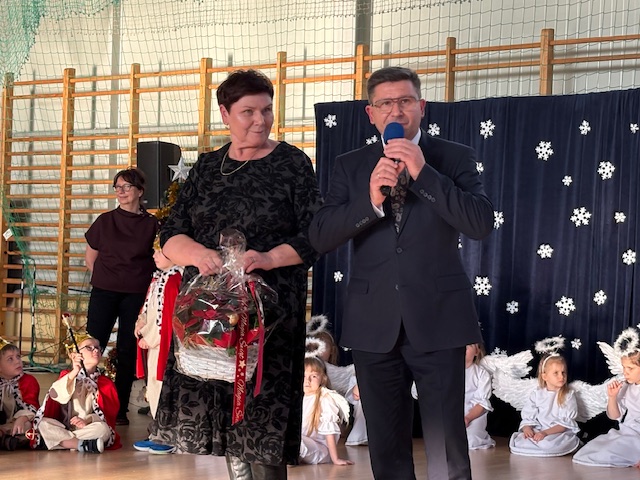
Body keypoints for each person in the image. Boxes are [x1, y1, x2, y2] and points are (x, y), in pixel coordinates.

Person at [309, 66, 494, 479]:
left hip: (440, 318)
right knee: (386, 443)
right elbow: (320, 235)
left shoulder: (454, 156)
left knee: (446, 443)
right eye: (386, 103)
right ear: (370, 113)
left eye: (406, 101)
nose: (397, 111)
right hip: (373, 321)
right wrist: (369, 201)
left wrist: (425, 173)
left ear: (422, 107)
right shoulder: (349, 165)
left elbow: (480, 223)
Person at [148, 69, 322, 479]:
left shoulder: (293, 163)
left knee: (261, 420)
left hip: (270, 318)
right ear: (225, 114)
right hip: (208, 319)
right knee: (223, 417)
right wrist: (199, 254)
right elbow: (171, 232)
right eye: (248, 112)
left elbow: (316, 234)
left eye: (267, 110)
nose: (261, 120)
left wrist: (268, 259)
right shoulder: (208, 166)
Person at [85, 167, 159, 425]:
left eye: (127, 186)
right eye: (117, 187)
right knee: (92, 345)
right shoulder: (105, 221)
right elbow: (91, 258)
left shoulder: (152, 225)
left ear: (139, 191)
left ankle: (119, 410)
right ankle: (86, 403)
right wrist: (107, 279)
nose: (121, 191)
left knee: (128, 350)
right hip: (104, 292)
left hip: (135, 295)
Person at [131, 241, 183, 454]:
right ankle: (158, 431)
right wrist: (140, 323)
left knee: (163, 388)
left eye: (159, 251)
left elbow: (169, 318)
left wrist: (151, 338)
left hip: (165, 347)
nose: (154, 255)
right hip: (154, 346)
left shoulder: (174, 280)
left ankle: (168, 435)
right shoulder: (158, 279)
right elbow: (149, 309)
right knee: (153, 388)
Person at [32, 333, 121, 453]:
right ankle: (80, 444)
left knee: (103, 429)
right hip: (63, 426)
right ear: (76, 354)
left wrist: (86, 421)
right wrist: (75, 372)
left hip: (86, 429)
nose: (95, 350)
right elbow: (56, 395)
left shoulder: (105, 383)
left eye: (97, 348)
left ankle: (57, 441)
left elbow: (107, 415)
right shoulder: (68, 376)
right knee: (42, 424)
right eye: (89, 348)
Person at [572, 330, 640, 467]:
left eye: (630, 368)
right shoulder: (627, 387)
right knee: (587, 452)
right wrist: (612, 397)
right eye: (624, 367)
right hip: (625, 433)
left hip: (637, 438)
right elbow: (614, 416)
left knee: (605, 453)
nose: (625, 372)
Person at [509, 353, 580, 457]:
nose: (561, 376)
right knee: (522, 440)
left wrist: (545, 433)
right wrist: (527, 428)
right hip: (539, 430)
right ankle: (537, 444)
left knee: (548, 444)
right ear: (545, 376)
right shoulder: (537, 394)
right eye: (556, 373)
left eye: (563, 372)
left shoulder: (568, 395)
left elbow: (563, 425)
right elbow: (529, 415)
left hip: (557, 433)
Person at [308, 327, 368, 446]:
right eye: (316, 347)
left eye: (324, 347)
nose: (319, 350)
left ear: (332, 350)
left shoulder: (335, 371)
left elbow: (345, 375)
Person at [299, 357, 353, 466]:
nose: (307, 380)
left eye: (313, 376)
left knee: (295, 442)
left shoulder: (325, 398)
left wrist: (335, 459)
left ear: (323, 378)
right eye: (303, 376)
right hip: (305, 443)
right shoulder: (297, 398)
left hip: (319, 450)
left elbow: (329, 432)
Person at [0, 337, 40, 451]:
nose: (17, 361)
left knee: (26, 427)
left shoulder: (28, 381)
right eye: (10, 359)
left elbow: (33, 407)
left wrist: (22, 418)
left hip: (18, 422)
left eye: (18, 357)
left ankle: (8, 439)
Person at [463, 343, 495, 450]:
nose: (462, 349)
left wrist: (467, 418)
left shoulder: (481, 374)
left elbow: (481, 403)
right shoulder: (445, 372)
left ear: (476, 351)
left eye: (468, 346)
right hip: (451, 416)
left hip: (473, 416)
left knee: (470, 439)